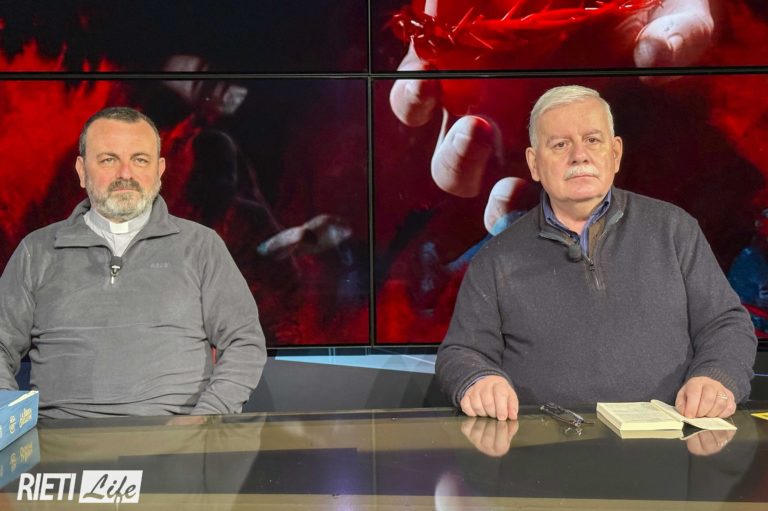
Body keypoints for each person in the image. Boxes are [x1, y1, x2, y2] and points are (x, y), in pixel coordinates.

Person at [435, 85, 757, 421]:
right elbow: (461, 352)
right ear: (534, 163)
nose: (580, 156)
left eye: (592, 140)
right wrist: (479, 380)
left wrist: (717, 377)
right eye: (560, 145)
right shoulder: (496, 258)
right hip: (546, 444)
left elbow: (726, 324)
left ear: (615, 154)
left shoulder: (674, 230)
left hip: (666, 442)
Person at [0, 107, 267, 418]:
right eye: (108, 160)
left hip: (177, 438)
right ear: (81, 170)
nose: (125, 174)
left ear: (160, 169)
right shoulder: (36, 250)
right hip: (59, 438)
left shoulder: (201, 246)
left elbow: (244, 342)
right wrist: (12, 423)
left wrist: (204, 420)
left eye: (140, 160)